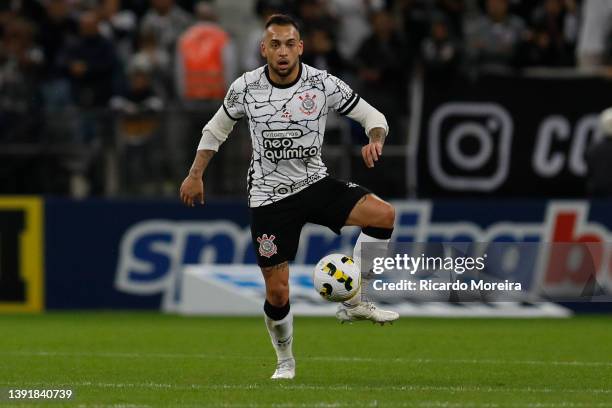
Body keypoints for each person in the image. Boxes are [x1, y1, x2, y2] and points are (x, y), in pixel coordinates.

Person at [179, 14, 398, 380]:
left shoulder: (321, 83)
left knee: (383, 215)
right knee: (278, 293)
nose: (282, 52)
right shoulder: (246, 87)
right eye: (275, 45)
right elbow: (216, 129)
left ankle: (355, 301)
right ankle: (285, 361)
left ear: (300, 47)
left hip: (315, 183)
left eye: (289, 44)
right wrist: (194, 173)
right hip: (268, 198)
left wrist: (375, 138)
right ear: (264, 49)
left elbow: (371, 115)